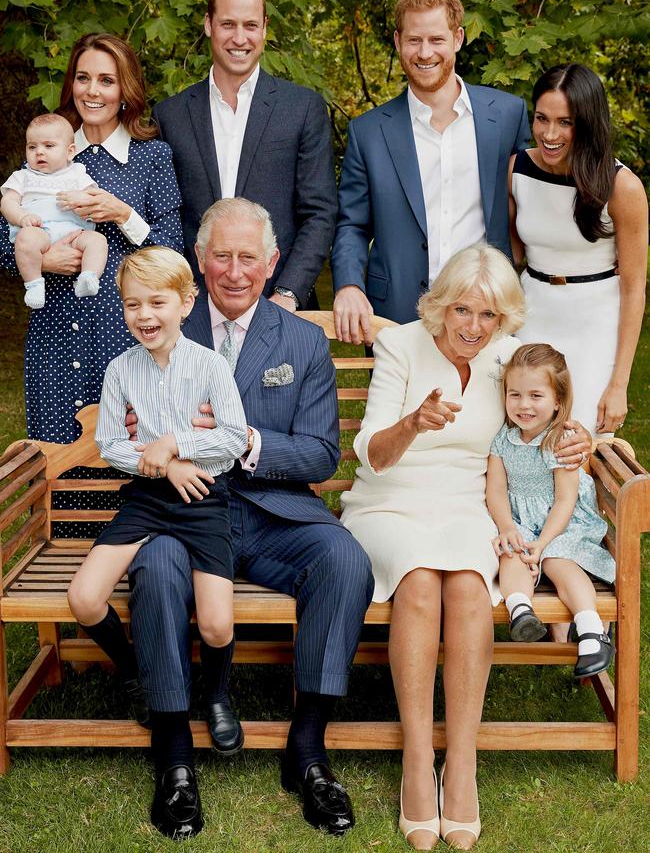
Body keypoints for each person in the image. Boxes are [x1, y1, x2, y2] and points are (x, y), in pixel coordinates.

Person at [126, 198, 374, 840]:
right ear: (199, 261)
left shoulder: (301, 340)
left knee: (344, 559)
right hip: (183, 511)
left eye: (247, 258)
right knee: (153, 566)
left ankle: (308, 749)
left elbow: (321, 454)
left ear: (272, 264)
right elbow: (132, 423)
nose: (234, 272)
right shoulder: (165, 324)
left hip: (272, 512)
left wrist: (244, 441)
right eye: (220, 256)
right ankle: (175, 755)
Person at [340, 246, 590, 851]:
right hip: (389, 498)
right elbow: (370, 453)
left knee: (471, 588)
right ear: (440, 306)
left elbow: (549, 406)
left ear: (505, 318)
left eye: (489, 315)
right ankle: (418, 760)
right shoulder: (401, 344)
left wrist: (577, 435)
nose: (474, 327)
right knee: (420, 579)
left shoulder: (506, 357)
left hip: (468, 503)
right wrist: (413, 423)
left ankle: (465, 763)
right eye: (462, 310)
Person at [67, 248, 247, 791]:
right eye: (132, 305)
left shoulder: (211, 366)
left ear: (187, 303)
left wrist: (174, 443)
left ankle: (215, 692)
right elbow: (110, 445)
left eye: (157, 303)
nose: (144, 315)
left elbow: (234, 438)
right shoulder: (121, 370)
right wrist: (162, 463)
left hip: (202, 499)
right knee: (84, 597)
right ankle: (137, 674)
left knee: (217, 623)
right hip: (147, 497)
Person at [0, 32, 183, 444]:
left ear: (125, 89)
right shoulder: (46, 151)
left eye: (107, 80)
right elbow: (1, 237)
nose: (92, 91)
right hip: (55, 332)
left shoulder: (151, 157)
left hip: (127, 334)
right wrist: (41, 262)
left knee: (130, 455)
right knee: (56, 455)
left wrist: (124, 215)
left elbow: (172, 249)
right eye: (83, 78)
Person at [331, 0, 531, 343]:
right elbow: (352, 226)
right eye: (414, 40)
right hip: (396, 315)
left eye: (436, 40)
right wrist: (347, 285)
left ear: (457, 38)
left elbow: (531, 203)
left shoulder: (506, 116)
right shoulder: (368, 132)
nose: (425, 53)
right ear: (397, 42)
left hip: (488, 314)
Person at [152, 0, 337, 311]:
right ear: (208, 24)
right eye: (228, 24)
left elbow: (319, 213)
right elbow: (167, 217)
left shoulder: (302, 108)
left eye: (250, 25)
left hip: (279, 303)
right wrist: (183, 291)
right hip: (195, 308)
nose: (240, 38)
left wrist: (288, 292)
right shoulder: (170, 116)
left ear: (265, 28)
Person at [510, 63, 647, 436]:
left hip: (594, 325)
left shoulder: (622, 187)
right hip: (532, 316)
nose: (549, 134)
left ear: (587, 122)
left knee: (579, 443)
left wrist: (618, 384)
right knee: (523, 437)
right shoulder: (517, 170)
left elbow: (634, 288)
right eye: (541, 118)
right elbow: (511, 256)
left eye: (565, 122)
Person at [487, 343, 615, 680]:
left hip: (562, 524)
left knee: (558, 561)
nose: (523, 405)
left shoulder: (561, 439)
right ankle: (522, 612)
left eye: (535, 396)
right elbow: (497, 491)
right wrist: (506, 527)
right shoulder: (502, 439)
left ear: (558, 400)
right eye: (514, 394)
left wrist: (542, 544)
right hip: (521, 522)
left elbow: (564, 501)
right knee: (511, 555)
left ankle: (590, 630)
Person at [1, 113, 108, 308]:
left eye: (48, 146)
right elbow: (7, 203)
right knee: (26, 239)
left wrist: (82, 198)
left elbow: (96, 199)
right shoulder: (22, 176)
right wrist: (22, 216)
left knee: (98, 241)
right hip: (39, 230)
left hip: (75, 232)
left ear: (69, 152)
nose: (39, 152)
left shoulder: (78, 173)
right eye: (32, 147)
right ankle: (34, 284)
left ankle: (89, 276)